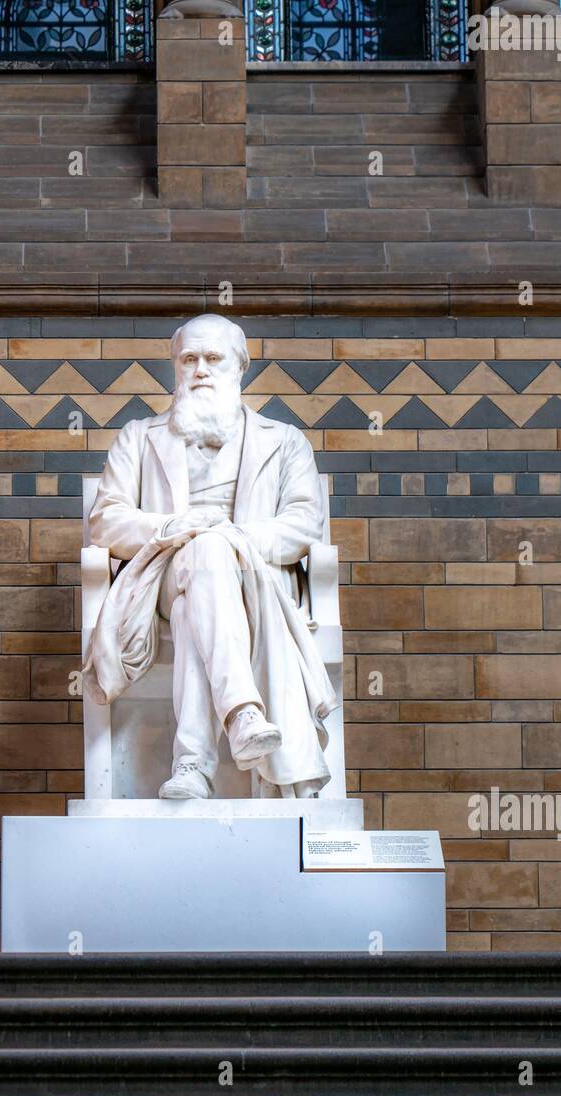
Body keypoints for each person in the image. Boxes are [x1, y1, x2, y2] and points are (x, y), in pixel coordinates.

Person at [82, 313, 337, 800]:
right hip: (163, 574)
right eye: (189, 359)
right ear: (176, 367)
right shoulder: (139, 437)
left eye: (213, 358)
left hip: (253, 579)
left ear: (240, 367)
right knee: (202, 555)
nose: (199, 369)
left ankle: (194, 765)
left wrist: (233, 539)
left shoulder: (283, 442)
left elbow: (303, 523)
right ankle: (242, 713)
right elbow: (105, 519)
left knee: (197, 595)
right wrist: (169, 529)